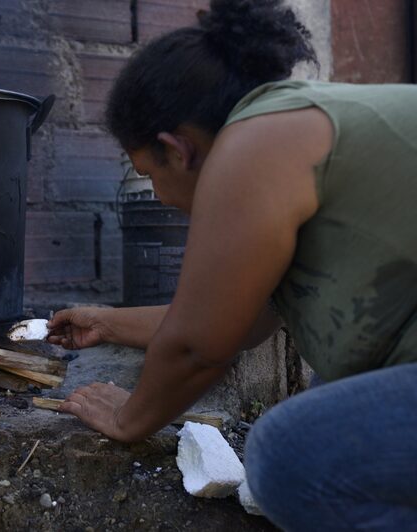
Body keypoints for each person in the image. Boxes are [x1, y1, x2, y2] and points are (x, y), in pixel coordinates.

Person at [46, 0, 417, 529]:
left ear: (177, 149)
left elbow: (201, 347)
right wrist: (106, 321)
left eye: (147, 172)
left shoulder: (254, 145)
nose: (158, 194)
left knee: (290, 454)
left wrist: (130, 418)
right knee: (328, 400)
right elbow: (236, 320)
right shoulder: (287, 132)